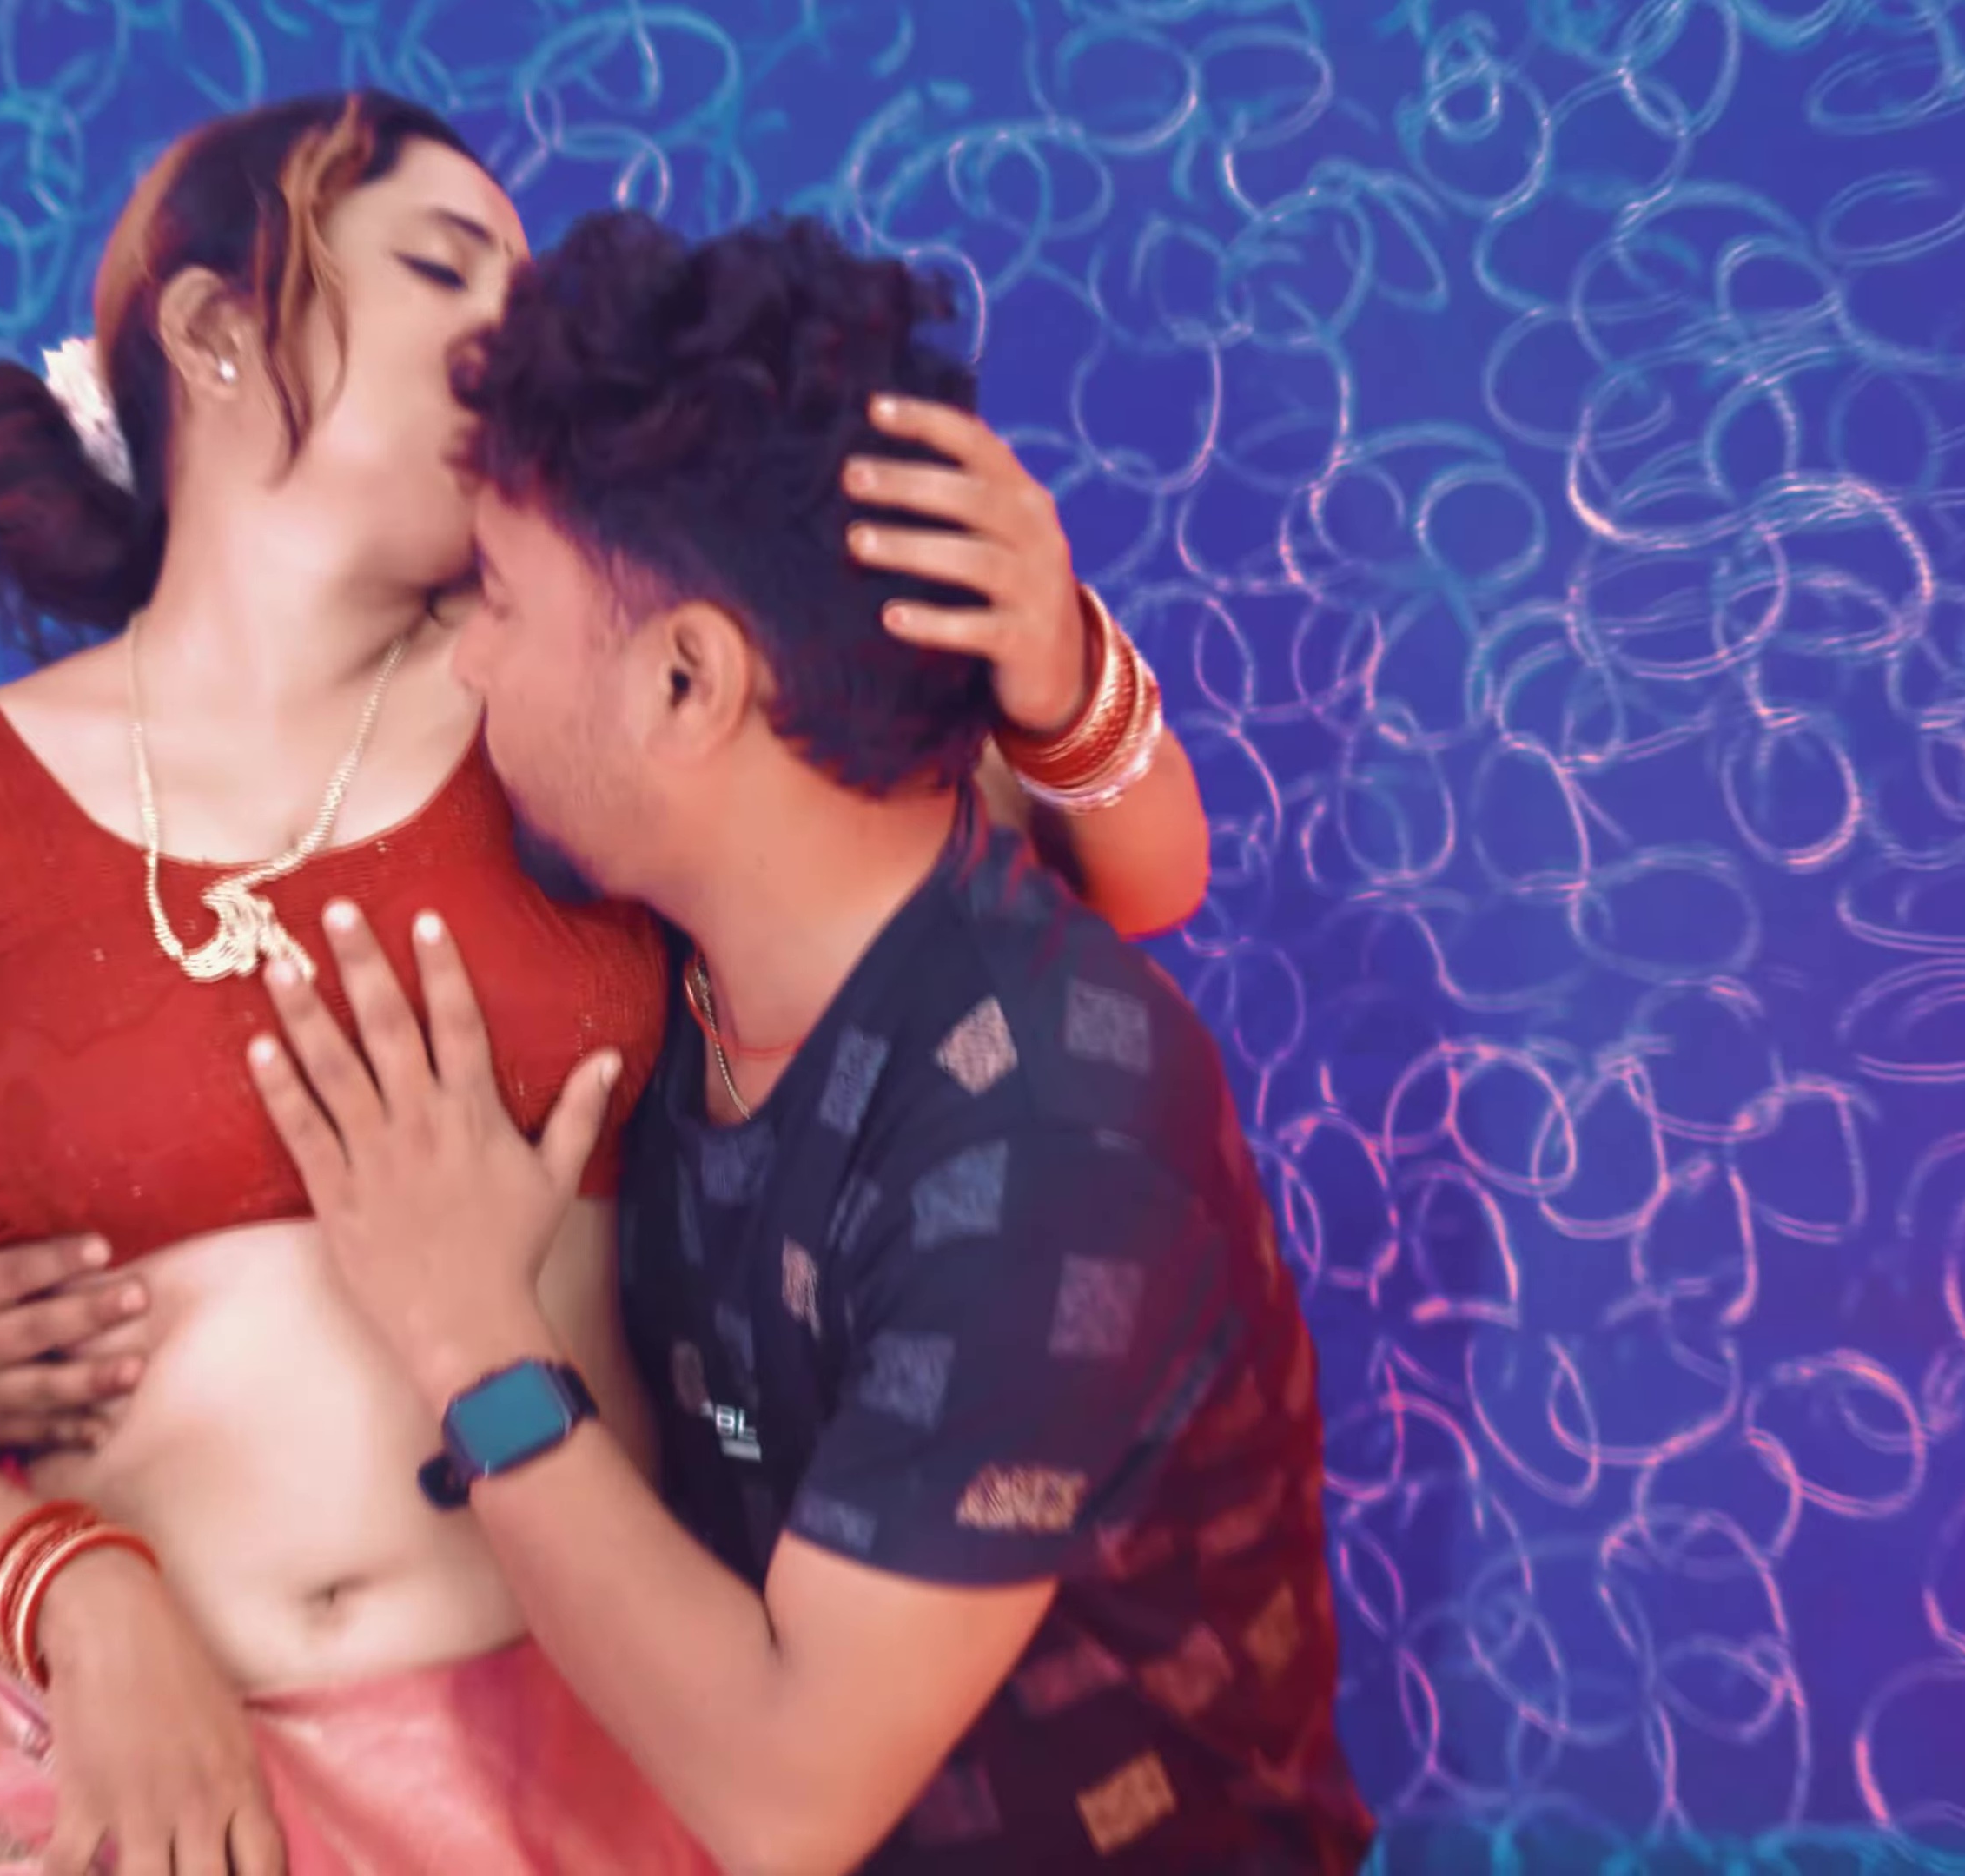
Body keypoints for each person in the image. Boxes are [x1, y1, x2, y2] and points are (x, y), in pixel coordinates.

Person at [0, 93, 1213, 1876]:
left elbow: (1114, 884)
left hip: (558, 1774)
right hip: (108, 1769)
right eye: (443, 264)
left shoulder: (577, 705)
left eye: (529, 280)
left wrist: (1060, 662)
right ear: (217, 329)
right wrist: (72, 1592)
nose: (514, 326)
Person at [219, 213, 1374, 1871]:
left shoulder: (1051, 1130)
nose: (467, 660)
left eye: (503, 603)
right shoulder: (671, 943)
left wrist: (468, 1337)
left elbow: (786, 1798)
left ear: (687, 685)